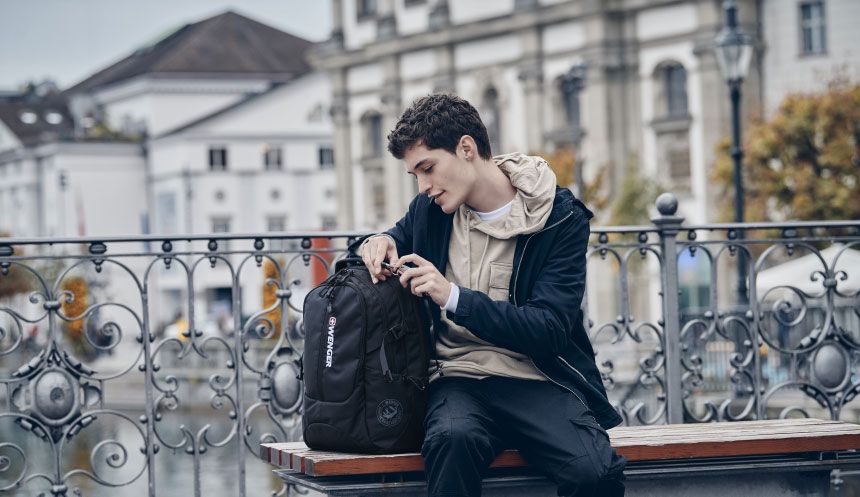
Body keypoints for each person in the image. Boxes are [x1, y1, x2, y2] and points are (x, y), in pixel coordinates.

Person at [357, 94, 626, 497]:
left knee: (594, 471)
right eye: (414, 174)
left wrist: (453, 297)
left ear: (466, 148)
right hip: (457, 380)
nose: (424, 185)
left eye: (427, 168)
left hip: (538, 377)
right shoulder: (429, 210)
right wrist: (374, 242)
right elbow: (387, 242)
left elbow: (550, 329)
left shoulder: (560, 220)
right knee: (452, 440)